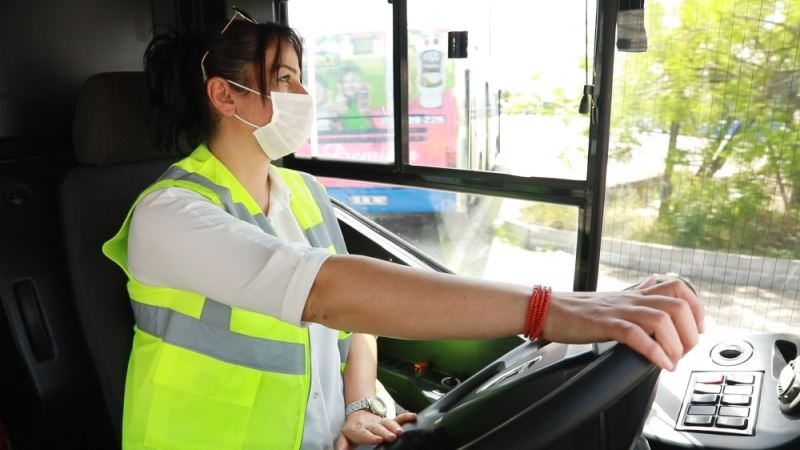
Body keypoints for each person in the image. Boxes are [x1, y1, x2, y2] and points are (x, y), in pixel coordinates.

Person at [102, 11, 704, 450]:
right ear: (225, 96)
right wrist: (551, 310)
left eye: (300, 77)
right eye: (284, 79)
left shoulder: (304, 193)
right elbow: (329, 292)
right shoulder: (169, 215)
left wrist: (360, 404)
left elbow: (356, 320)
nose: (304, 94)